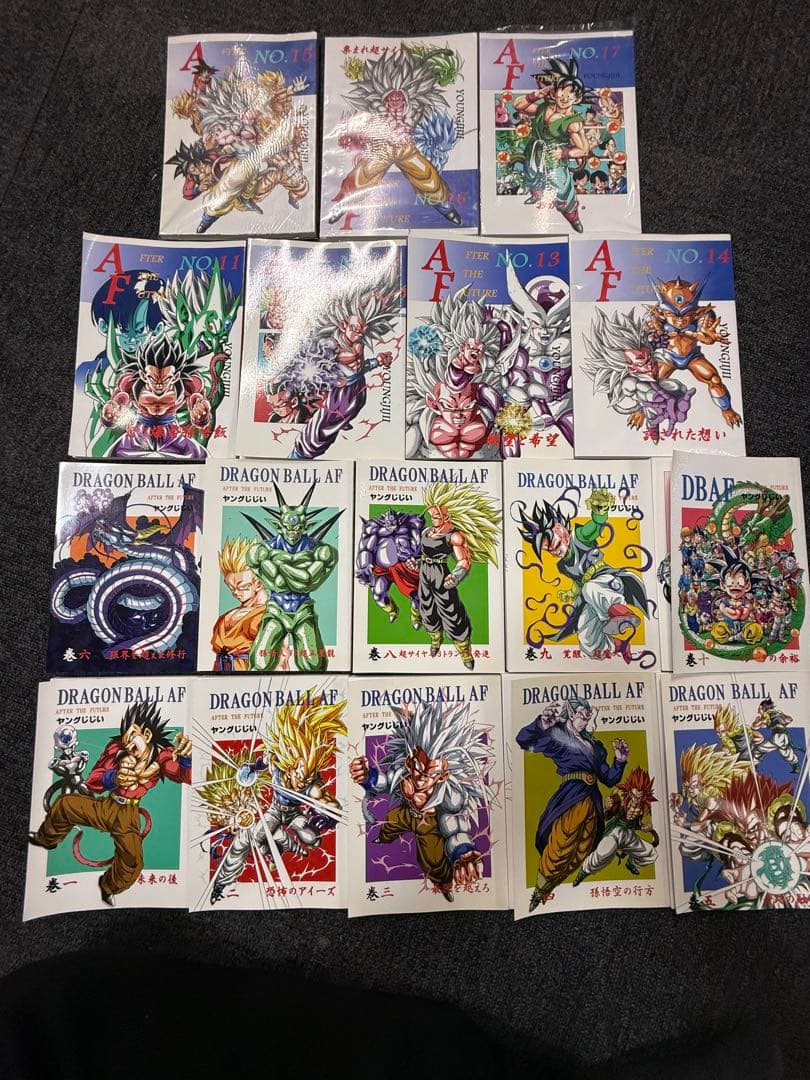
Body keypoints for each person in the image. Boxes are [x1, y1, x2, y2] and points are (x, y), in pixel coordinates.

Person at [29, 702, 191, 906]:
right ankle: (47, 839)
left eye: (132, 739)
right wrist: (113, 777)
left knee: (133, 861)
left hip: (128, 815)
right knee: (65, 804)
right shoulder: (116, 749)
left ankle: (108, 887)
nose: (129, 748)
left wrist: (186, 760)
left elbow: (184, 775)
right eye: (126, 743)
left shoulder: (164, 756)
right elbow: (93, 781)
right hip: (107, 806)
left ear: (147, 734)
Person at [516, 697, 628, 909]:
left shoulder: (595, 745)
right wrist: (541, 724)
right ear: (571, 712)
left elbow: (609, 778)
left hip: (592, 800)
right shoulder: (558, 735)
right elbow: (523, 740)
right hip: (572, 796)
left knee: (581, 851)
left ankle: (549, 888)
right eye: (582, 716)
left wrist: (620, 761)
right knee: (561, 844)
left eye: (588, 718)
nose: (585, 721)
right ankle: (540, 890)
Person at [211, 538, 267, 671]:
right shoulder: (226, 617)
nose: (235, 593)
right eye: (231, 587)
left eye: (242, 587)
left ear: (259, 583)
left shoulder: (270, 616)